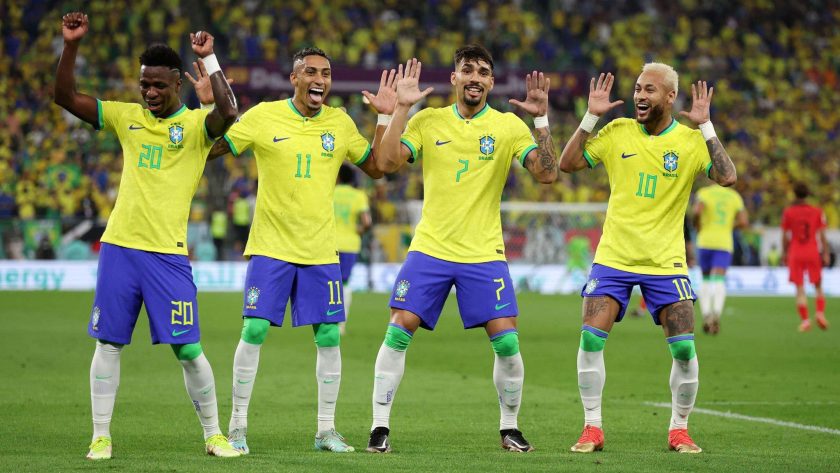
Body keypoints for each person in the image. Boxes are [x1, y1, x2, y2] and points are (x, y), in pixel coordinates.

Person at [54, 12, 240, 459]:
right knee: (109, 342)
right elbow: (63, 96)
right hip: (120, 248)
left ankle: (214, 434)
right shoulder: (125, 117)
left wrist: (210, 58)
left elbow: (229, 111)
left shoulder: (196, 128)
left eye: (158, 85)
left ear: (178, 84)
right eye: (144, 85)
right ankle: (101, 435)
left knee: (189, 348)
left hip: (168, 255)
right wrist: (72, 45)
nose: (150, 93)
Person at [366, 45, 559, 454]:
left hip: (484, 252)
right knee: (400, 327)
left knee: (507, 342)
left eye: (483, 71)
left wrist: (540, 119)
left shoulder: (508, 127)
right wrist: (399, 108)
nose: (475, 76)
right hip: (431, 248)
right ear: (454, 78)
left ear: (491, 82)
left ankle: (510, 427)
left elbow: (547, 174)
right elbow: (385, 163)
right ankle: (379, 426)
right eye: (467, 69)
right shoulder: (428, 120)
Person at [204, 47, 391, 454]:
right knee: (253, 330)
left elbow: (376, 166)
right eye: (311, 72)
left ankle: (326, 430)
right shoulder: (262, 116)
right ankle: (236, 427)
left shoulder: (339, 124)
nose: (319, 79)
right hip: (271, 245)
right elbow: (211, 149)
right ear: (294, 78)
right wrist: (207, 111)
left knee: (328, 337)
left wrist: (385, 117)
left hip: (322, 250)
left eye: (325, 72)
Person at [558, 63, 737, 454]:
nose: (640, 95)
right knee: (590, 339)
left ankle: (680, 430)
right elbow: (567, 164)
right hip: (614, 257)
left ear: (670, 97)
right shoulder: (618, 130)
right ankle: (592, 428)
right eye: (638, 88)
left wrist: (706, 126)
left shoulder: (689, 142)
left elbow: (727, 177)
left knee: (684, 350)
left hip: (665, 263)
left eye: (650, 90)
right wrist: (591, 116)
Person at [693, 185, 748, 334]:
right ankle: (716, 313)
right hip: (723, 243)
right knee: (718, 279)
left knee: (704, 278)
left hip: (705, 240)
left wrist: (698, 225)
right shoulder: (734, 196)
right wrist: (729, 226)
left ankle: (706, 314)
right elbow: (743, 221)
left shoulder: (704, 193)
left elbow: (697, 211)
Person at [781, 182, 830, 332]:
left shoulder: (788, 212)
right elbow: (822, 235)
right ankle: (820, 313)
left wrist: (785, 252)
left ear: (794, 194)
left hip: (796, 251)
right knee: (818, 285)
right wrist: (826, 253)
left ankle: (805, 320)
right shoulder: (817, 211)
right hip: (812, 251)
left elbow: (785, 236)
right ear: (808, 194)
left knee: (800, 288)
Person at [333, 163, 372, 335]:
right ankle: (341, 324)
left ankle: (326, 319)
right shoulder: (358, 195)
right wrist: (357, 230)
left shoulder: (329, 192)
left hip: (329, 243)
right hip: (349, 244)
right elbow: (367, 222)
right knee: (345, 283)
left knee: (328, 283)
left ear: (338, 177)